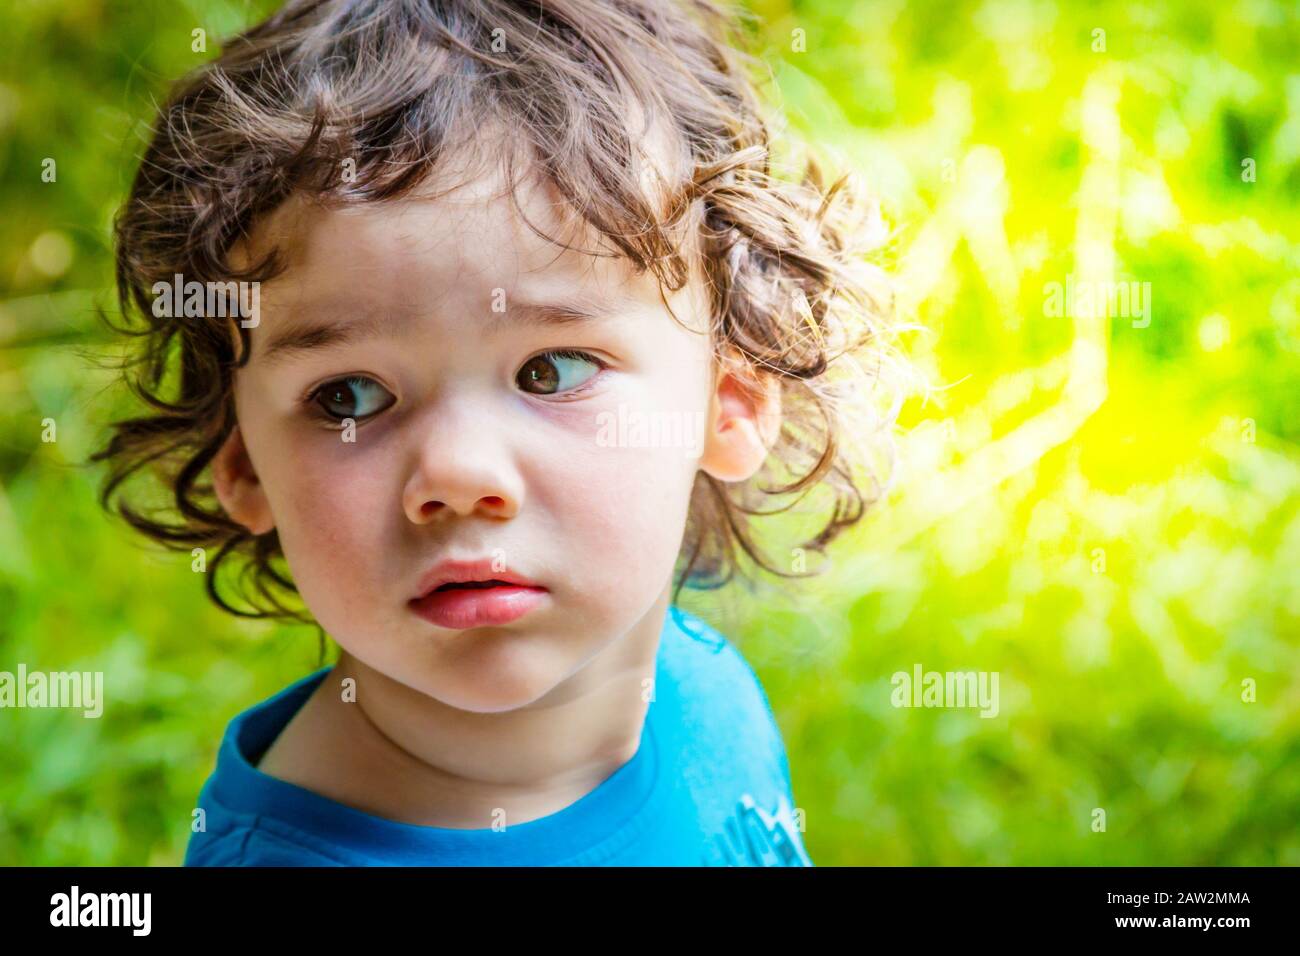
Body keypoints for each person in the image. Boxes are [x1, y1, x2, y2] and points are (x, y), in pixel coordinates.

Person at [94, 0, 906, 866]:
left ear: (731, 401)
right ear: (243, 462)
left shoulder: (705, 696)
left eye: (550, 371)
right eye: (351, 396)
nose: (456, 472)